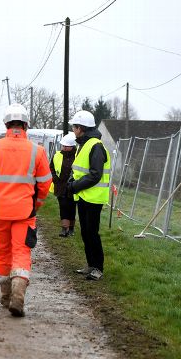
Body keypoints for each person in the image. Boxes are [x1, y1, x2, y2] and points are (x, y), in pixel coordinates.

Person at [0, 104, 52, 317]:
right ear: (25, 125)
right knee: (22, 251)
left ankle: (6, 293)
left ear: (6, 124)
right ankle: (18, 290)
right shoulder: (38, 151)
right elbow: (45, 183)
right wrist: (37, 205)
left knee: (3, 253)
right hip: (25, 212)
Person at [67, 110, 111, 281]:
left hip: (93, 197)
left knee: (92, 233)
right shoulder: (84, 144)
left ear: (81, 128)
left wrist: (74, 186)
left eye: (74, 126)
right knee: (85, 232)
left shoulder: (95, 146)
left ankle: (98, 268)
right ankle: (91, 265)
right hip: (84, 196)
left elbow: (95, 174)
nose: (73, 129)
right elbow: (79, 170)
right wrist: (73, 183)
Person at [50, 132, 77, 237]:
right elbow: (51, 167)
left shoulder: (77, 156)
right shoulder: (57, 155)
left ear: (72, 146)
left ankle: (71, 228)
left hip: (73, 186)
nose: (64, 147)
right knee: (63, 207)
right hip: (60, 186)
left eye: (67, 146)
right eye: (63, 145)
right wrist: (54, 178)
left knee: (71, 207)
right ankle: (64, 228)